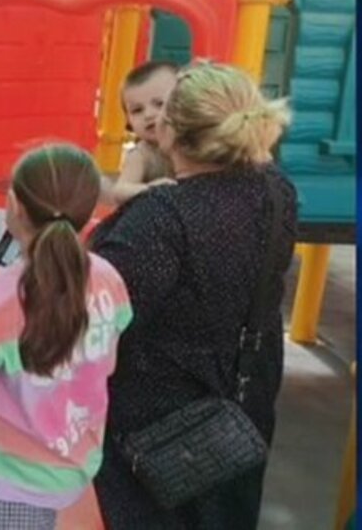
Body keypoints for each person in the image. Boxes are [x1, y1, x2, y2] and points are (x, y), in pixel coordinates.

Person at [90, 62, 297, 529]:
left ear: (169, 131)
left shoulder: (163, 215)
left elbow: (102, 312)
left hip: (160, 416)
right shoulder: (278, 191)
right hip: (246, 397)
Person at [0, 144, 133, 530]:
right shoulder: (109, 279)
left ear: (14, 205)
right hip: (76, 464)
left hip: (11, 477)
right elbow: (107, 364)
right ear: (89, 211)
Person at [104, 60, 179, 205]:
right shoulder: (142, 154)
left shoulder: (193, 143)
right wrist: (149, 189)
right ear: (128, 120)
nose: (149, 115)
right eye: (137, 110)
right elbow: (120, 191)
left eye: (159, 104)